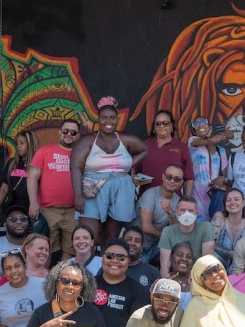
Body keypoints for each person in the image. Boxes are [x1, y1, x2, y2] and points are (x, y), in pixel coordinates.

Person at [72, 97, 148, 244]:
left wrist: (128, 165)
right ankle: (88, 266)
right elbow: (75, 167)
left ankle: (107, 264)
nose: (108, 121)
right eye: (104, 118)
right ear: (98, 119)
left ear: (117, 119)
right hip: (92, 192)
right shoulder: (88, 140)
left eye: (112, 118)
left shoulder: (125, 139)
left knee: (111, 238)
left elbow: (144, 150)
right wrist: (78, 196)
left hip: (120, 191)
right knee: (88, 235)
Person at [29, 120, 80, 260]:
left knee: (70, 251)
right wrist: (33, 202)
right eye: (65, 131)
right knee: (44, 250)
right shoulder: (45, 151)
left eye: (73, 132)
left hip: (73, 210)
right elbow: (32, 177)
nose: (69, 134)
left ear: (78, 136)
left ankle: (60, 279)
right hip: (47, 209)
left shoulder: (82, 154)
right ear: (59, 132)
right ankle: (42, 281)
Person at [187, 116, 232, 223]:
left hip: (215, 197)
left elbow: (225, 177)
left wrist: (221, 179)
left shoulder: (221, 150)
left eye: (203, 122)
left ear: (210, 127)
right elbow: (211, 140)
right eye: (196, 124)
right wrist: (225, 134)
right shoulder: (192, 142)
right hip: (196, 197)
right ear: (193, 130)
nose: (200, 125)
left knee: (216, 228)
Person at [139, 109, 193, 195]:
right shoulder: (144, 146)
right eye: (158, 123)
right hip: (146, 200)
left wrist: (187, 199)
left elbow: (189, 178)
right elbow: (133, 170)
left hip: (172, 200)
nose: (161, 126)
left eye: (165, 123)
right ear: (154, 128)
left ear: (172, 127)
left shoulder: (181, 147)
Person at [158, 198, 216, 276]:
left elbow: (206, 263)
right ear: (176, 212)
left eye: (191, 210)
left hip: (198, 275)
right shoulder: (167, 231)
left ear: (197, 213)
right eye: (183, 210)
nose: (187, 214)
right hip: (175, 275)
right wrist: (165, 284)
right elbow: (165, 266)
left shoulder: (206, 227)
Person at [139, 164, 185, 260]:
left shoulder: (178, 201)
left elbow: (175, 231)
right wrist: (167, 238)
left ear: (181, 183)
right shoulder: (150, 195)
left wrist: (170, 214)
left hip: (157, 245)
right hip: (139, 245)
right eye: (169, 177)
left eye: (176, 179)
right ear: (163, 177)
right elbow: (146, 227)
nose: (172, 181)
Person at [0, 130, 37, 227]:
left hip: (31, 210)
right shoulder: (12, 163)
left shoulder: (38, 164)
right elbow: (4, 188)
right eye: (17, 143)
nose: (18, 146)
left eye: (22, 143)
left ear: (30, 144)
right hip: (12, 208)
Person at [212, 188, 245, 271]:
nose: (232, 203)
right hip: (218, 264)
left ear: (244, 203)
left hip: (240, 265)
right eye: (228, 200)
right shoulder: (219, 217)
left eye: (236, 199)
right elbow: (212, 244)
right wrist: (232, 254)